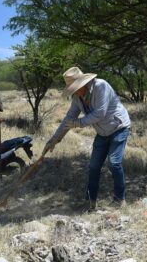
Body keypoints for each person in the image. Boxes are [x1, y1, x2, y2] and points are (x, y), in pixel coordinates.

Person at [44, 67, 131, 209]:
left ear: (83, 83)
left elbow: (100, 113)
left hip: (118, 127)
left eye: (75, 88)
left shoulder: (101, 86)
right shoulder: (77, 98)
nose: (75, 92)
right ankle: (90, 202)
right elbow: (69, 118)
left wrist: (77, 124)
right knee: (93, 167)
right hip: (102, 132)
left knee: (114, 163)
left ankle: (120, 200)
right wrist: (54, 139)